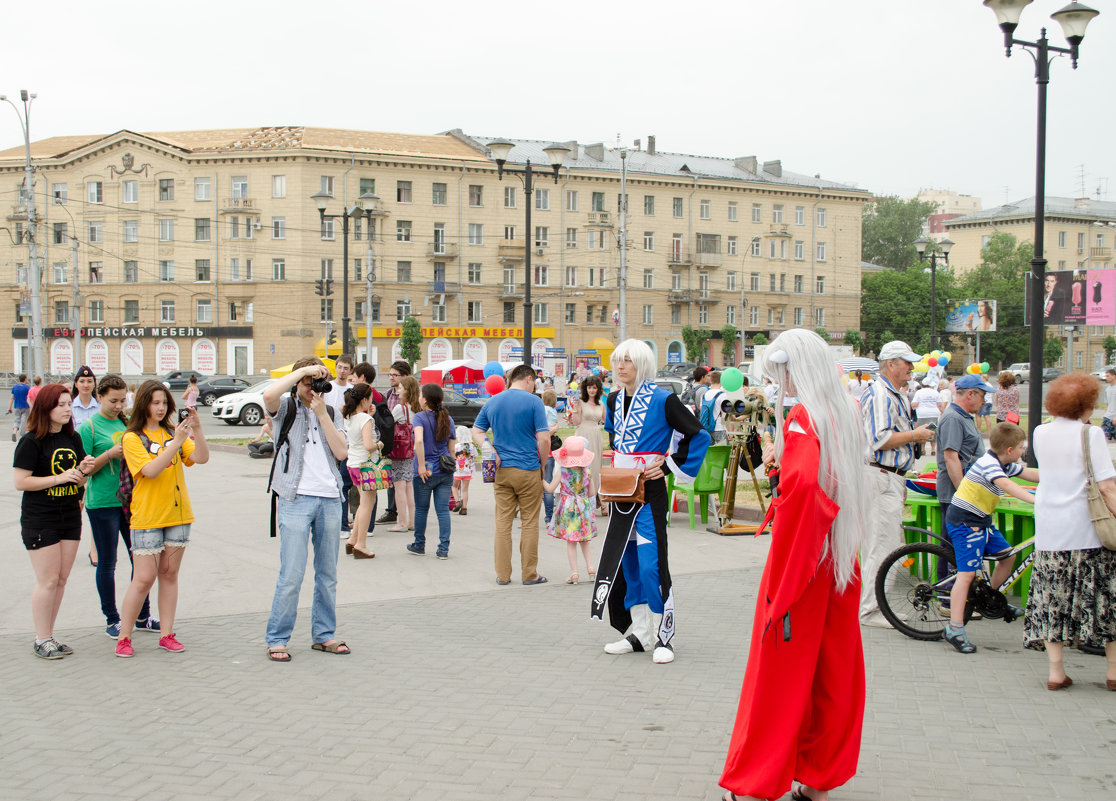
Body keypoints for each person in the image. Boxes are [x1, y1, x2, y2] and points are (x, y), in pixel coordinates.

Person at [719, 329, 871, 801]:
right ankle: (819, 780)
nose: (775, 383)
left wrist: (789, 559)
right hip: (839, 560)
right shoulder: (843, 411)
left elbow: (805, 487)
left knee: (778, 676)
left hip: (806, 561)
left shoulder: (804, 416)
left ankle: (753, 784)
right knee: (833, 673)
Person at [591, 339, 711, 664]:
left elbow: (698, 435)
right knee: (627, 564)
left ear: (641, 364)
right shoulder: (613, 399)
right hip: (621, 492)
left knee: (650, 564)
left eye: (627, 361)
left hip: (650, 492)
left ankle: (663, 635)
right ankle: (639, 632)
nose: (620, 367)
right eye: (618, 361)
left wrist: (670, 464)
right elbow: (615, 437)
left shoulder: (664, 399)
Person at [1026, 373, 1116, 691]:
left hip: (1050, 529)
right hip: (1087, 531)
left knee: (1052, 600)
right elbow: (1106, 486)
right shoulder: (1089, 435)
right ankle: (1112, 672)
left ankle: (1056, 673)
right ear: (1086, 404)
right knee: (1105, 600)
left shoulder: (1039, 432)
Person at [262, 358, 351, 663]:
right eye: (307, 382)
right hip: (295, 498)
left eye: (317, 381)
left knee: (327, 574)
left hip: (328, 498)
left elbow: (341, 452)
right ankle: (277, 637)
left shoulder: (330, 411)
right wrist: (301, 374)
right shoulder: (285, 409)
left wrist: (321, 413)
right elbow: (269, 397)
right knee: (292, 574)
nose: (313, 387)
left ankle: (324, 635)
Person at [114, 380, 209, 657]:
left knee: (169, 575)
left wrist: (197, 431)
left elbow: (201, 458)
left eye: (164, 403)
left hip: (177, 514)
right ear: (144, 403)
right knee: (143, 578)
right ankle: (124, 636)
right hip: (147, 517)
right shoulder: (132, 438)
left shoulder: (172, 432)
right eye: (155, 402)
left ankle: (167, 633)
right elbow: (151, 470)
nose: (160, 407)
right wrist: (176, 442)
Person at [12, 383, 96, 659]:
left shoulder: (72, 439)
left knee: (61, 579)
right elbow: (20, 482)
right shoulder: (31, 440)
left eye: (68, 404)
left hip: (69, 516)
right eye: (60, 405)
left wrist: (84, 470)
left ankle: (50, 635)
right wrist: (59, 478)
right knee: (47, 580)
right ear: (46, 408)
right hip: (40, 518)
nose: (66, 409)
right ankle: (41, 638)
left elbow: (78, 479)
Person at [941, 422, 1037, 654]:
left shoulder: (1004, 462)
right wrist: (1037, 501)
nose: (1024, 451)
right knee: (966, 575)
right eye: (1022, 447)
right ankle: (954, 628)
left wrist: (1062, 479)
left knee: (1007, 556)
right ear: (1011, 450)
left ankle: (989, 599)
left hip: (981, 519)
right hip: (964, 522)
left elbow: (1030, 474)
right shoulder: (988, 465)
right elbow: (1006, 485)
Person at [859, 340, 934, 627]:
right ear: (891, 364)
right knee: (882, 545)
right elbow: (879, 439)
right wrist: (916, 436)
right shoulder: (881, 395)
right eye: (907, 362)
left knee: (884, 543)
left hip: (889, 476)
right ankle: (871, 609)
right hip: (881, 475)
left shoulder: (894, 394)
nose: (911, 368)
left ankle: (875, 605)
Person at [78, 374, 157, 639]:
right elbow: (83, 471)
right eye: (113, 400)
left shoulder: (128, 423)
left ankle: (142, 615)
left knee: (141, 559)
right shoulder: (88, 427)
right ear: (99, 397)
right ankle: (112, 618)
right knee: (108, 562)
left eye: (123, 400)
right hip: (102, 503)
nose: (118, 405)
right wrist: (109, 454)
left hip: (132, 501)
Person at [471, 363, 551, 585]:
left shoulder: (493, 401)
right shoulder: (534, 402)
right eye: (533, 382)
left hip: (502, 470)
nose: (534, 386)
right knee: (530, 522)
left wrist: (490, 449)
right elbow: (544, 439)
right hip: (528, 469)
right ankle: (529, 574)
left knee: (503, 523)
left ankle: (503, 575)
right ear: (528, 379)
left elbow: (477, 430)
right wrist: (542, 464)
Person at [937, 374, 994, 540]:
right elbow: (951, 457)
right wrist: (964, 493)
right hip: (956, 494)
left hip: (963, 493)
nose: (984, 401)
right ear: (970, 394)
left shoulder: (963, 416)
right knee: (951, 547)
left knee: (960, 547)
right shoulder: (953, 418)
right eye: (982, 396)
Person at [408, 384, 456, 559]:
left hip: (425, 471)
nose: (419, 398)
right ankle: (443, 549)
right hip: (445, 471)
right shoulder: (448, 419)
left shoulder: (419, 417)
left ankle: (419, 545)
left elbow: (418, 441)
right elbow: (451, 449)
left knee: (421, 509)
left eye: (421, 395)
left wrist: (421, 465)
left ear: (426, 399)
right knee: (443, 511)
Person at [544, 435, 598, 584]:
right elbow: (592, 492)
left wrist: (541, 478)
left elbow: (549, 489)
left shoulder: (562, 471)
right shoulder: (587, 472)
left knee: (571, 541)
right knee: (584, 540)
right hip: (583, 507)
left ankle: (574, 573)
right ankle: (591, 568)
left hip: (568, 507)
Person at [341, 383, 378, 559]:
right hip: (366, 465)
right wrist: (380, 444)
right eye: (370, 398)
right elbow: (369, 445)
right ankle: (361, 544)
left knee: (363, 503)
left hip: (353, 464)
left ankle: (353, 540)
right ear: (364, 399)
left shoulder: (348, 417)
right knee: (366, 505)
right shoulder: (366, 420)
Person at [376, 361, 411, 525]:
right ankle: (394, 511)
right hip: (390, 441)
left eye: (394, 375)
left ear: (404, 377)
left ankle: (399, 515)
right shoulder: (388, 394)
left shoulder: (409, 397)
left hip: (404, 443)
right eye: (390, 374)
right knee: (394, 479)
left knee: (402, 481)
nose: (390, 378)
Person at [325, 354, 356, 532]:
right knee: (330, 482)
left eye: (346, 368)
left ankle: (344, 524)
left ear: (351, 370)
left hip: (348, 442)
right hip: (329, 440)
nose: (342, 371)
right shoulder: (328, 388)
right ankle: (334, 521)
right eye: (340, 367)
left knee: (345, 484)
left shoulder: (352, 390)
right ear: (335, 367)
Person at [570, 375, 607, 516]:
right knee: (582, 468)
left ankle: (598, 501)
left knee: (596, 468)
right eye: (589, 387)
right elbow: (576, 422)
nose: (592, 390)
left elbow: (606, 420)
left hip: (596, 436)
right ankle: (580, 501)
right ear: (586, 388)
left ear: (598, 389)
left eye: (594, 387)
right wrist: (575, 409)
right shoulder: (580, 402)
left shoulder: (600, 404)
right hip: (582, 436)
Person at [388, 375, 420, 533]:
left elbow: (388, 426)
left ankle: (401, 522)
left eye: (400, 388)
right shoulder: (417, 408)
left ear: (407, 390)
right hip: (411, 450)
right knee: (409, 486)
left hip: (399, 450)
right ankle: (412, 521)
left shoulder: (400, 409)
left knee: (399, 486)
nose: (398, 391)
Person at [911, 376, 944, 456]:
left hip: (922, 414)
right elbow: (939, 405)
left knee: (922, 430)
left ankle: (922, 449)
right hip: (933, 414)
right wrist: (943, 412)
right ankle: (933, 449)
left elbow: (914, 404)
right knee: (932, 431)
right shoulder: (935, 392)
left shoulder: (919, 392)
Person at [542, 389, 560, 525]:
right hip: (550, 452)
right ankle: (549, 517)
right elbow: (554, 427)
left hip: (540, 450)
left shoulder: (544, 410)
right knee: (548, 484)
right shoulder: (554, 412)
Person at [451, 425, 477, 515]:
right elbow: (475, 456)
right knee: (465, 490)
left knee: (454, 487)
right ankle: (464, 508)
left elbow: (453, 456)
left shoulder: (457, 446)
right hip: (468, 472)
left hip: (458, 472)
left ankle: (457, 502)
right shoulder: (472, 446)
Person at [9, 373, 30, 441]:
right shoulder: (27, 387)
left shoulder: (15, 387)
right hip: (25, 406)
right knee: (24, 420)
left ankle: (14, 432)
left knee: (17, 420)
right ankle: (22, 434)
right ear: (25, 379)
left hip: (17, 406)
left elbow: (12, 397)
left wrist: (10, 407)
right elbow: (29, 397)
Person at [1102, 368, 1116, 441]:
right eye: (1106, 376)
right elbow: (1108, 402)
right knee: (1104, 437)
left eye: (1108, 376)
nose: (1106, 378)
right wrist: (1106, 408)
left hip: (1114, 417)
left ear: (1114, 376)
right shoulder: (1107, 389)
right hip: (1107, 417)